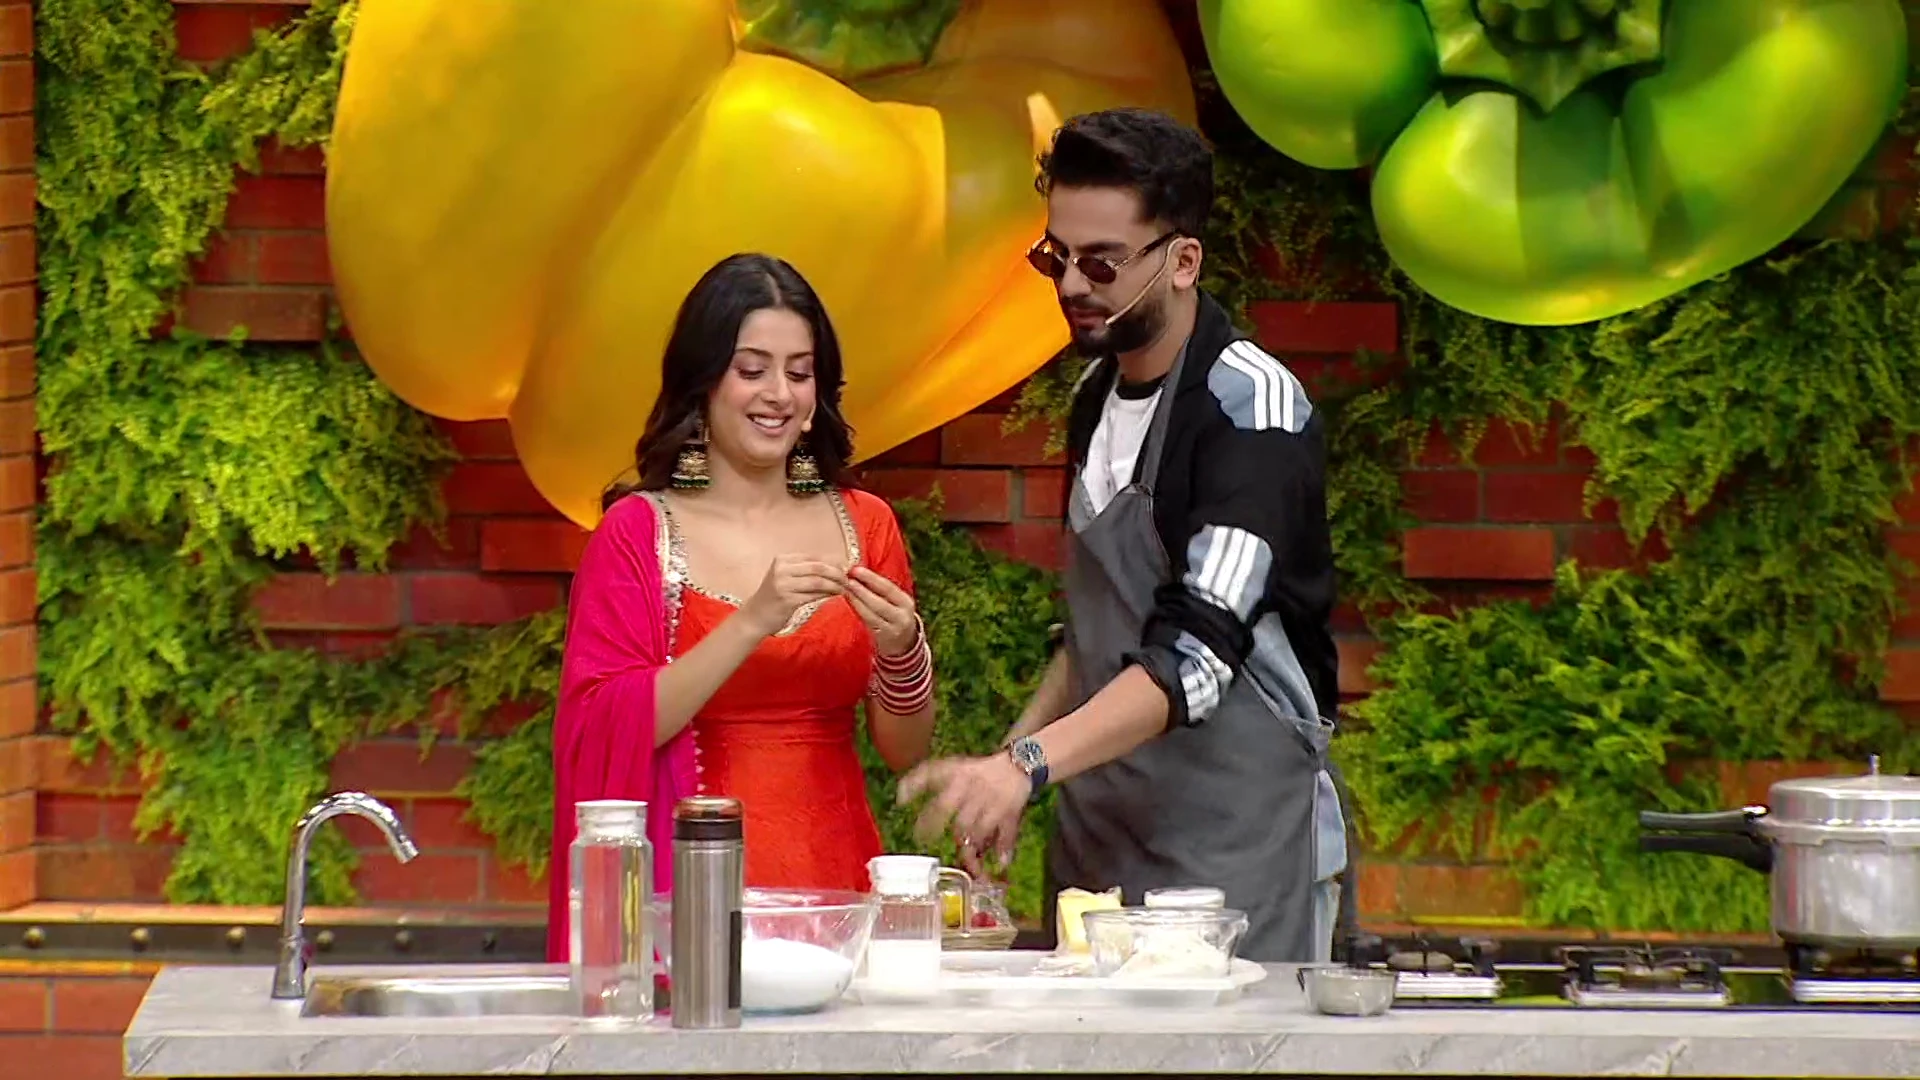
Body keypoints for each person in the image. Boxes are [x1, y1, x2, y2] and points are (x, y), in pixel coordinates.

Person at [897, 108, 1350, 962]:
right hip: (1097, 850)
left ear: (1183, 261)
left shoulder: (1250, 408)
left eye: (1102, 262)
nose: (1072, 284)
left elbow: (1195, 658)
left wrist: (1026, 764)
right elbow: (1097, 636)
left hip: (1232, 857)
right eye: (1055, 258)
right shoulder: (1093, 399)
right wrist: (1008, 770)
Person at [547, 253, 938, 962]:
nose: (778, 394)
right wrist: (753, 619)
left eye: (800, 372)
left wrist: (903, 650)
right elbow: (602, 725)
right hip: (694, 887)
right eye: (752, 370)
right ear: (703, 383)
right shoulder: (637, 533)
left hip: (835, 885)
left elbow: (902, 750)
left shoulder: (866, 523)